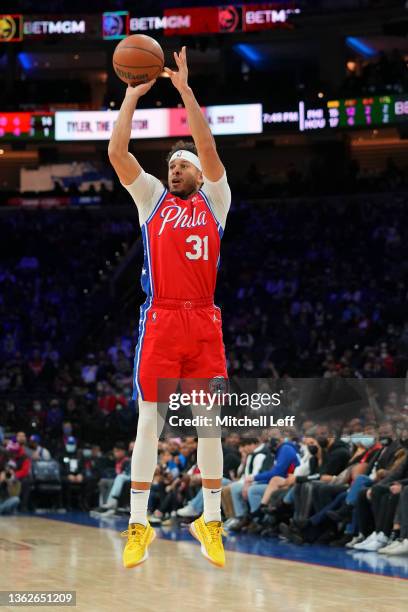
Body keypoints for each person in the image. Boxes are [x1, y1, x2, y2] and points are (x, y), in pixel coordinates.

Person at [108, 46, 231, 569]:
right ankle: (139, 523)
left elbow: (206, 144)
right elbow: (118, 154)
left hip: (203, 318)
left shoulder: (217, 200)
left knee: (210, 425)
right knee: (148, 423)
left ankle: (211, 519)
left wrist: (184, 91)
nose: (174, 169)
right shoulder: (153, 199)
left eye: (182, 164)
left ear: (201, 172)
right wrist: (131, 99)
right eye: (171, 165)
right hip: (160, 317)